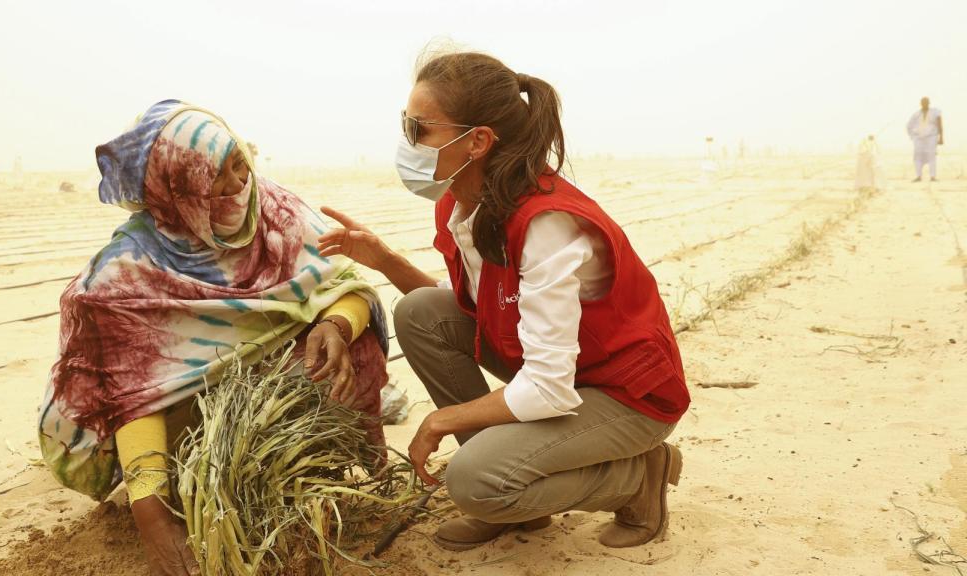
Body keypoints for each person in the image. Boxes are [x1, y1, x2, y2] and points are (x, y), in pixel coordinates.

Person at [318, 51, 690, 552]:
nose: (409, 142)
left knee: (473, 482)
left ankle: (639, 478)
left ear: (476, 141)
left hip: (625, 393)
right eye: (406, 126)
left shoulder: (548, 226)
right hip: (565, 373)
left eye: (419, 129)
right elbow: (476, 308)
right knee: (420, 312)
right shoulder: (461, 203)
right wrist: (383, 259)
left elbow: (550, 389)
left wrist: (441, 419)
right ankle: (518, 497)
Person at [38, 100, 390, 576]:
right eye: (214, 178)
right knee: (195, 484)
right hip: (184, 423)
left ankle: (330, 476)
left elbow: (345, 282)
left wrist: (336, 324)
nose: (237, 185)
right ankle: (179, 491)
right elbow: (131, 396)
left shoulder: (276, 214)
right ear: (174, 188)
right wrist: (152, 519)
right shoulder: (122, 278)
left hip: (262, 401)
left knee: (352, 347)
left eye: (239, 163)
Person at [907, 97, 943, 182]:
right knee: (917, 156)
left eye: (926, 102)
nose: (924, 104)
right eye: (923, 102)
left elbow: (940, 124)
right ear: (921, 103)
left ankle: (932, 176)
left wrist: (941, 137)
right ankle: (918, 176)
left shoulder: (935, 112)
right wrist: (913, 136)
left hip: (931, 137)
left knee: (931, 155)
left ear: (929, 103)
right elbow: (909, 125)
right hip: (919, 138)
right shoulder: (916, 114)